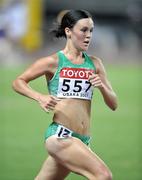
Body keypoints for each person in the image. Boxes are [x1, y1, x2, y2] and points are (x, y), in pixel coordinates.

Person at [12, 10, 117, 180]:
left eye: (91, 30)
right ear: (68, 31)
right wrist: (40, 97)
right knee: (103, 176)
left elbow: (114, 104)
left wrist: (102, 87)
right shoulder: (53, 61)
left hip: (82, 140)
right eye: (83, 30)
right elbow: (18, 81)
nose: (88, 35)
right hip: (61, 135)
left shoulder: (95, 63)